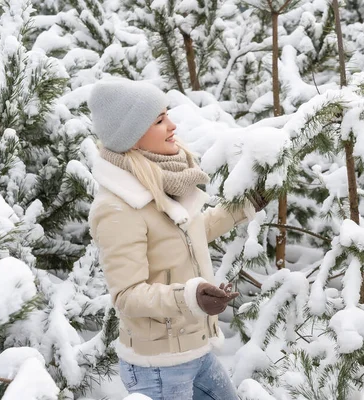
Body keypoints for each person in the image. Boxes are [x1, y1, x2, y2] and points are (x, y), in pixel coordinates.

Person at [87, 78, 268, 400]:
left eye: (167, 115)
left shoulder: (161, 183)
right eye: (159, 120)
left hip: (195, 347)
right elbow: (126, 296)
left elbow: (191, 231)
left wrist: (244, 205)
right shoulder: (118, 207)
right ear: (130, 137)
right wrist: (190, 297)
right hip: (158, 365)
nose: (172, 126)